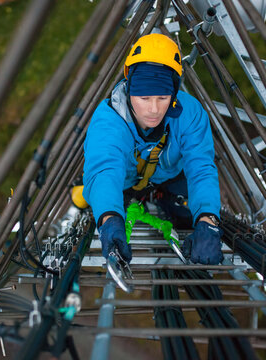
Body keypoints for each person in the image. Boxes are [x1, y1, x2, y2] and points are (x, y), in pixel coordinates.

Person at [82, 33, 223, 265]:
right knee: (105, 202)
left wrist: (208, 220)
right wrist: (109, 217)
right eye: (144, 97)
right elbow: (105, 170)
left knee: (189, 221)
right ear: (129, 89)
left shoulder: (190, 114)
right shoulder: (109, 121)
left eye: (163, 97)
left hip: (169, 180)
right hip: (123, 184)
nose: (154, 109)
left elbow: (201, 168)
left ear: (174, 93)